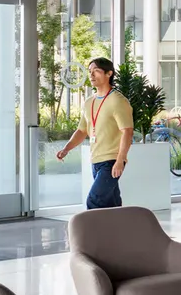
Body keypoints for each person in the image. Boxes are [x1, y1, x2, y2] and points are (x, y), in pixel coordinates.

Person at [57, 57, 134, 210]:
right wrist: (66, 149)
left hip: (112, 160)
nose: (91, 75)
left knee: (95, 200)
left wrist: (120, 160)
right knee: (111, 204)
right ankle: (118, 232)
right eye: (90, 71)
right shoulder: (89, 102)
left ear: (109, 74)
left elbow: (127, 131)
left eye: (96, 71)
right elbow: (82, 130)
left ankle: (91, 233)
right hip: (96, 160)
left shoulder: (117, 101)